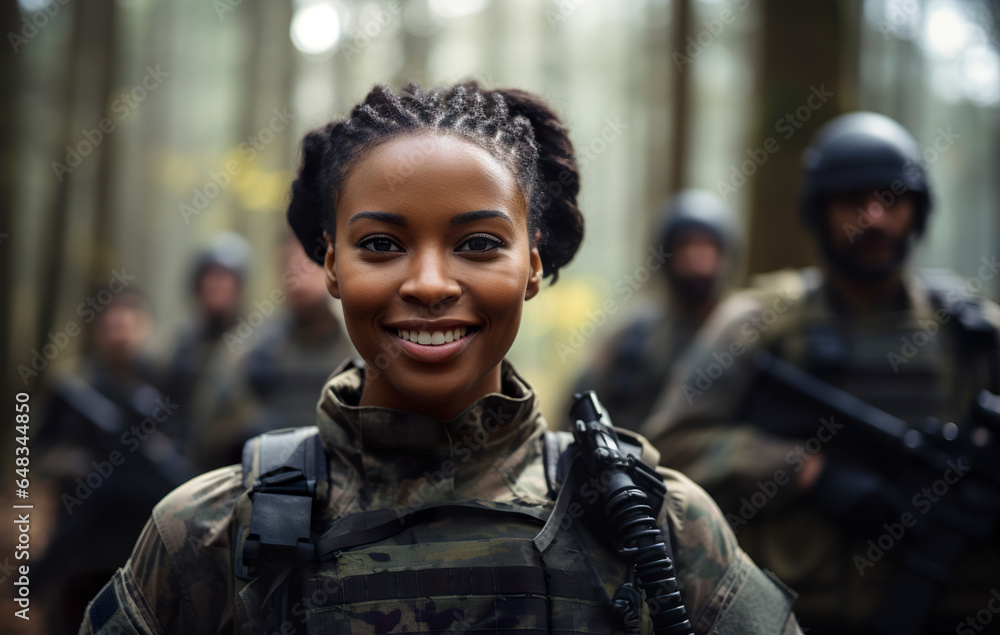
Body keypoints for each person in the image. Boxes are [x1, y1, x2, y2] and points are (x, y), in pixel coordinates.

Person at [79, 81, 802, 634]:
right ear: (330, 264)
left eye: (479, 243)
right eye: (382, 245)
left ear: (531, 264)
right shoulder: (205, 533)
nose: (428, 283)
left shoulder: (657, 523)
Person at [641, 112, 1000, 634]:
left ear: (917, 210)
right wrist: (805, 471)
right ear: (819, 210)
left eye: (892, 199)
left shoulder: (972, 332)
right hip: (801, 617)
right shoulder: (756, 322)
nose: (874, 217)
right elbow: (666, 447)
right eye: (854, 201)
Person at [35, 290, 187, 634]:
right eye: (113, 325)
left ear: (145, 328)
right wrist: (71, 464)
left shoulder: (166, 386)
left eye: (129, 325)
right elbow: (39, 452)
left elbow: (183, 457)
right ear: (98, 332)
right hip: (84, 545)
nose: (121, 334)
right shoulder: (74, 389)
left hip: (143, 547)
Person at [572, 189, 738, 432]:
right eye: (687, 248)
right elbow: (577, 408)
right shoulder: (631, 335)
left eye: (706, 248)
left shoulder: (743, 332)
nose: (697, 261)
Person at [194, 234, 358, 470]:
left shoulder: (361, 347)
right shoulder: (249, 349)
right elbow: (208, 435)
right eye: (289, 267)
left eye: (309, 265)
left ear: (332, 267)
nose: (299, 279)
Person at [159, 231, 251, 459]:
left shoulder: (254, 346)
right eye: (211, 278)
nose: (218, 286)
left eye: (225, 278)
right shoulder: (175, 344)